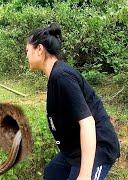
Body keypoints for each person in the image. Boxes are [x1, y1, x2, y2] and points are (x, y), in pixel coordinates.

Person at [25, 23, 120, 180]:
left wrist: (84, 175)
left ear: (40, 49)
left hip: (99, 147)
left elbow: (88, 123)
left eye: (27, 51)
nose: (26, 55)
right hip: (75, 150)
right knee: (52, 173)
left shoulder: (62, 76)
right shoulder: (55, 76)